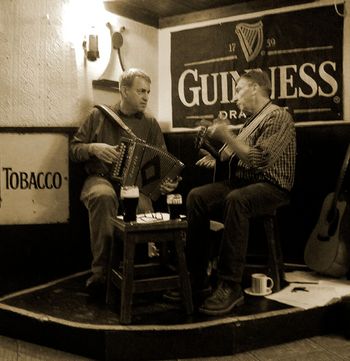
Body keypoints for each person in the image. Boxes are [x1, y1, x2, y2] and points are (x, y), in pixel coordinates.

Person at [185, 69, 296, 316]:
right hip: (244, 182)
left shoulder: (278, 116)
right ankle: (196, 276)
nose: (235, 97)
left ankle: (229, 284)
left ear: (255, 87)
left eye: (238, 89)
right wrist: (212, 150)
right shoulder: (251, 121)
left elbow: (258, 160)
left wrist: (227, 135)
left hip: (272, 186)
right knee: (196, 196)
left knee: (237, 200)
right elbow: (233, 158)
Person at [70, 68, 179, 297]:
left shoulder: (150, 123)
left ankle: (140, 274)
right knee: (103, 196)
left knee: (142, 205)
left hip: (135, 186)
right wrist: (93, 148)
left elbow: (163, 162)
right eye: (141, 91)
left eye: (148, 92)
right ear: (124, 91)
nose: (146, 97)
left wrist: (167, 183)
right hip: (100, 178)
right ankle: (101, 274)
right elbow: (73, 150)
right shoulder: (98, 116)